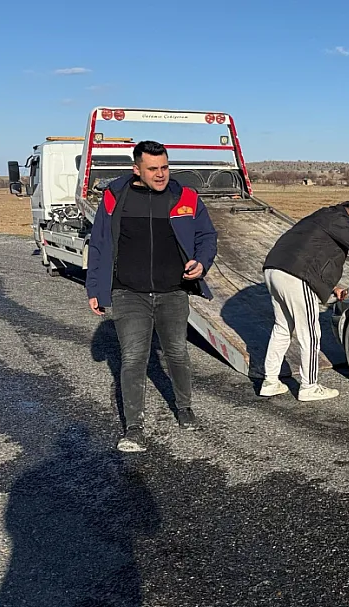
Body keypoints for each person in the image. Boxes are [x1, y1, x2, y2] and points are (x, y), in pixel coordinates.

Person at [85, 140, 218, 452]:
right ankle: (133, 427)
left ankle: (183, 407)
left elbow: (207, 236)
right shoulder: (115, 196)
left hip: (173, 291)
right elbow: (100, 243)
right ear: (137, 169)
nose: (161, 174)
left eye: (165, 167)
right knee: (133, 358)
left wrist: (201, 262)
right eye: (153, 169)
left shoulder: (185, 196)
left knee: (177, 353)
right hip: (129, 292)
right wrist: (95, 288)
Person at [260, 200, 349, 401]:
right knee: (310, 331)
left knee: (282, 328)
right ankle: (309, 386)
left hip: (274, 269)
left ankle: (270, 381)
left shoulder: (317, 218)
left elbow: (310, 257)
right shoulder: (339, 218)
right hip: (296, 276)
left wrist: (332, 288)